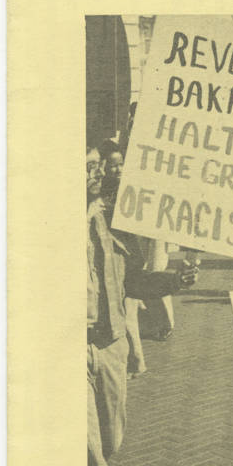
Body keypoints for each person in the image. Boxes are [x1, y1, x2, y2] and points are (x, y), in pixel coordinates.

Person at [87, 144, 198, 466]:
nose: (96, 175)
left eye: (97, 167)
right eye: (87, 167)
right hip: (63, 349)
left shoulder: (113, 220)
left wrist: (173, 280)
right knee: (86, 448)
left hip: (110, 346)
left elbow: (133, 281)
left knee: (109, 443)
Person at [100, 139, 146, 376]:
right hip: (120, 261)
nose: (117, 170)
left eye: (120, 164)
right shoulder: (102, 191)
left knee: (127, 316)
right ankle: (136, 360)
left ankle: (136, 361)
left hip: (130, 260)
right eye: (112, 165)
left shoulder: (125, 191)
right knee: (127, 315)